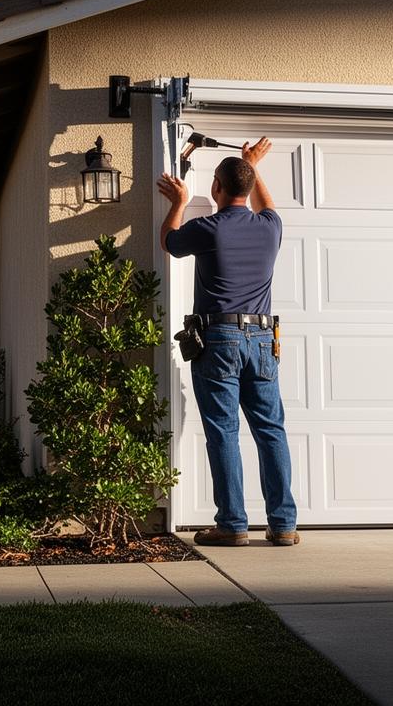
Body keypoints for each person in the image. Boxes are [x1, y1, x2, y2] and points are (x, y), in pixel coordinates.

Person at [156, 138, 298, 547]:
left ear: (215, 187)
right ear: (248, 189)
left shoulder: (208, 229)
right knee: (271, 431)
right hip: (262, 338)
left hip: (219, 339)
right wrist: (252, 166)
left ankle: (233, 525)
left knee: (223, 431)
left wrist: (179, 201)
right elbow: (265, 204)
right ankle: (283, 525)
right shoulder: (270, 228)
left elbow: (169, 241)